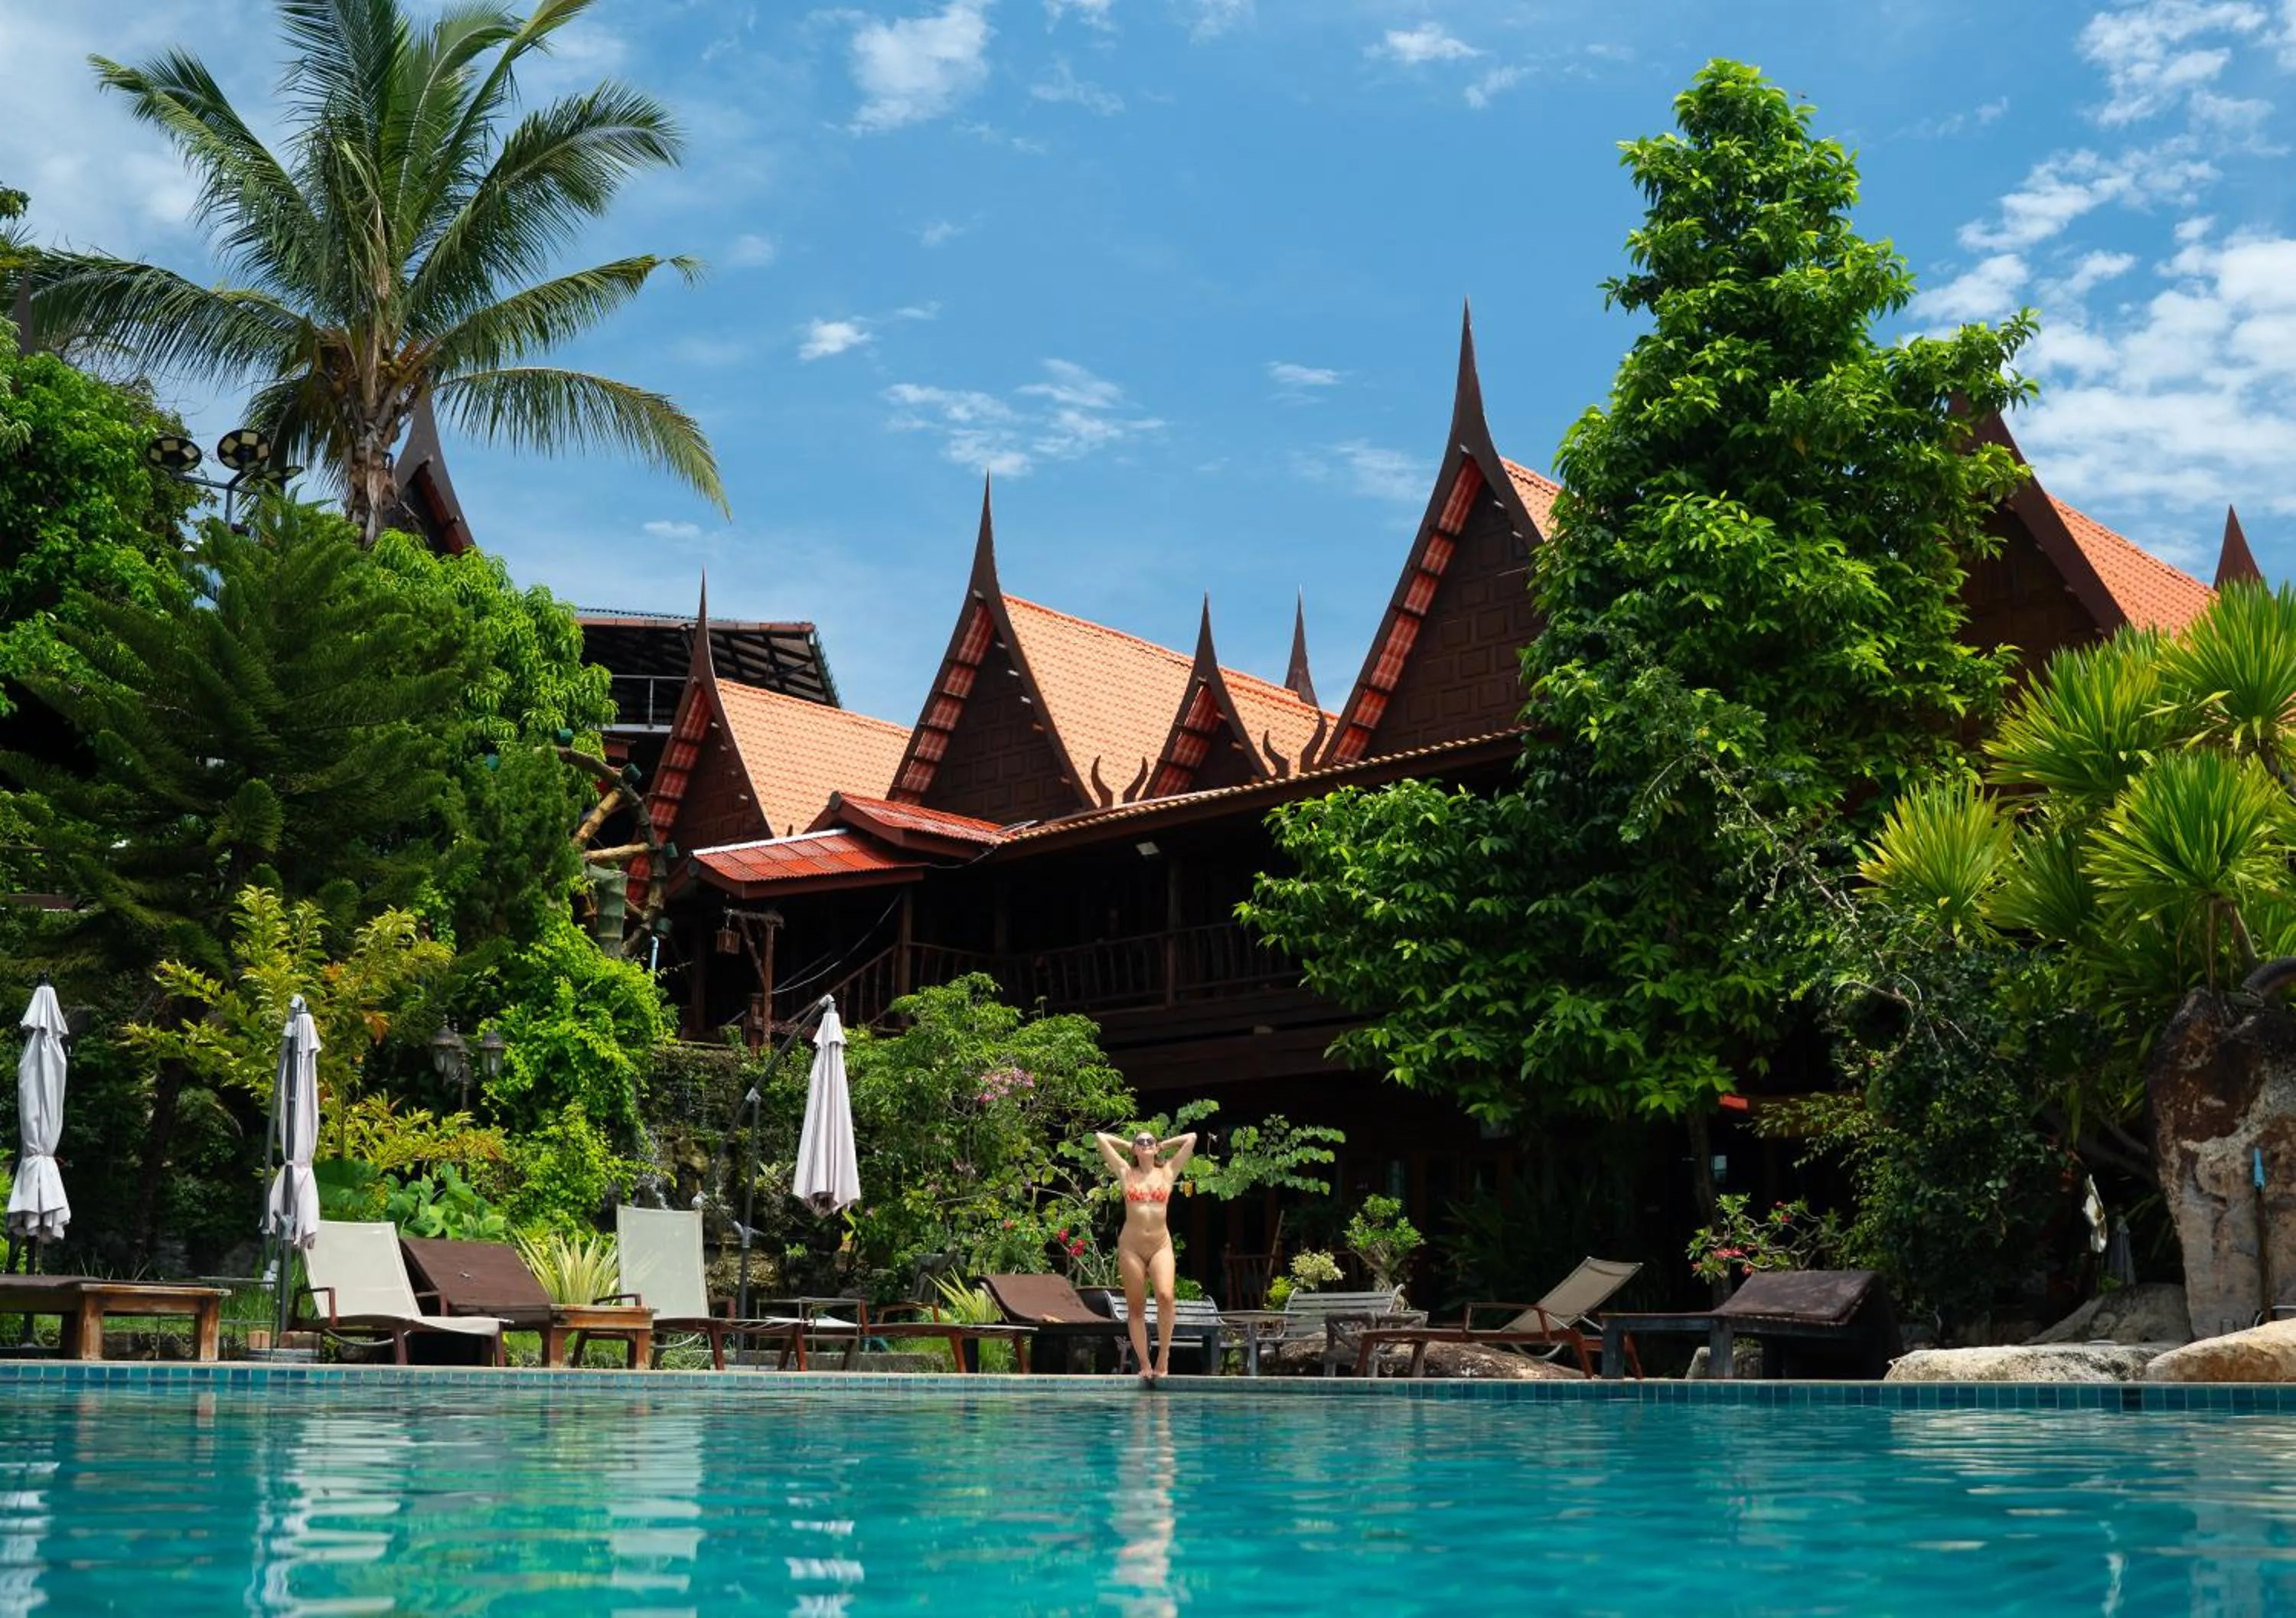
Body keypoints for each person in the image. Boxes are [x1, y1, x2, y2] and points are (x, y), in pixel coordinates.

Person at [1094, 1127, 1196, 1382]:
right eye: (1141, 1141)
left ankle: (1164, 1356)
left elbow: (1192, 1138)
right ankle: (1144, 1363)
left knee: (1165, 1296)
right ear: (1135, 1148)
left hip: (1160, 1245)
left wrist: (1163, 1145)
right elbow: (1101, 1138)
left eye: (1151, 1140)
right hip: (1132, 1247)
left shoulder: (1168, 1172)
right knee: (1136, 1306)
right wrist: (1128, 1145)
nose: (1146, 1143)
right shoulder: (1126, 1172)